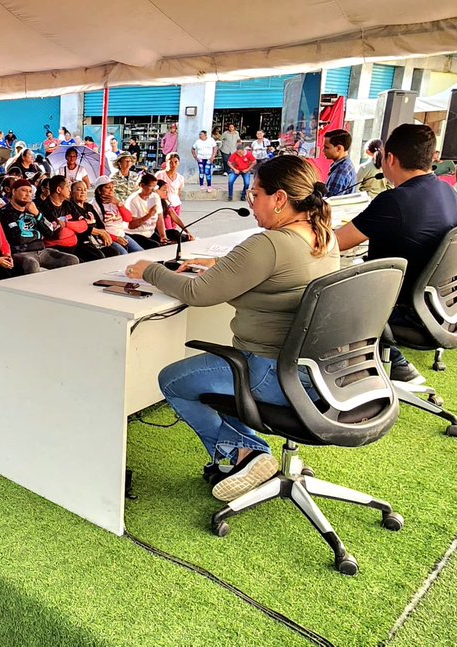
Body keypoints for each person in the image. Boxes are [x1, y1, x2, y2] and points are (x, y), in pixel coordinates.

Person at [125, 154, 338, 502]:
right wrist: (222, 263)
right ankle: (254, 455)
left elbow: (198, 292)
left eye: (256, 195)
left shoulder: (269, 243)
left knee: (173, 380)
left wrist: (149, 269)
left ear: (280, 198)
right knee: (210, 372)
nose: (252, 204)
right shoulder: (322, 236)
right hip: (316, 374)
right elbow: (279, 272)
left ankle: (241, 454)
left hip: (271, 373)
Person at [335, 123, 457, 384]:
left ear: (389, 158)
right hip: (438, 305)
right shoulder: (449, 193)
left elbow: (335, 243)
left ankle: (355, 373)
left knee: (323, 292)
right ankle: (394, 361)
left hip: (401, 308)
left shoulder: (394, 201)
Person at [0, 179, 81, 272]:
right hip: (20, 252)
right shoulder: (6, 211)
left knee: (72, 260)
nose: (28, 194)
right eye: (24, 190)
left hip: (41, 251)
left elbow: (50, 232)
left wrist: (37, 214)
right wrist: (39, 234)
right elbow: (17, 237)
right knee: (32, 264)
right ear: (14, 191)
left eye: (30, 191)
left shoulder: (34, 209)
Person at [94, 177, 144, 253]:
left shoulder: (115, 201)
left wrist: (119, 204)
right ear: (99, 190)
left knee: (139, 251)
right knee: (123, 254)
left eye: (112, 187)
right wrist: (115, 238)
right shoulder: (94, 205)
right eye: (107, 187)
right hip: (107, 237)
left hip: (121, 234)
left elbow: (128, 219)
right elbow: (97, 228)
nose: (111, 190)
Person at [123, 175, 168, 248]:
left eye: (155, 187)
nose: (153, 190)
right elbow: (131, 225)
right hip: (135, 233)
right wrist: (149, 215)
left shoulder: (155, 196)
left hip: (150, 232)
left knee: (167, 244)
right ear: (142, 185)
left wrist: (163, 236)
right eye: (151, 187)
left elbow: (160, 218)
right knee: (154, 246)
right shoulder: (133, 200)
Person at [155, 153, 188, 240]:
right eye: (171, 162)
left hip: (176, 204)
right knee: (167, 227)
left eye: (175, 162)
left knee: (174, 227)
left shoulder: (180, 178)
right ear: (166, 162)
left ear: (179, 163)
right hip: (165, 205)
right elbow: (155, 190)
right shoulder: (160, 175)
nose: (173, 165)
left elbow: (178, 192)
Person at [321, 129, 356, 197]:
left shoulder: (341, 171)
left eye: (326, 148)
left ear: (339, 148)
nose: (323, 150)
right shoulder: (346, 164)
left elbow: (329, 201)